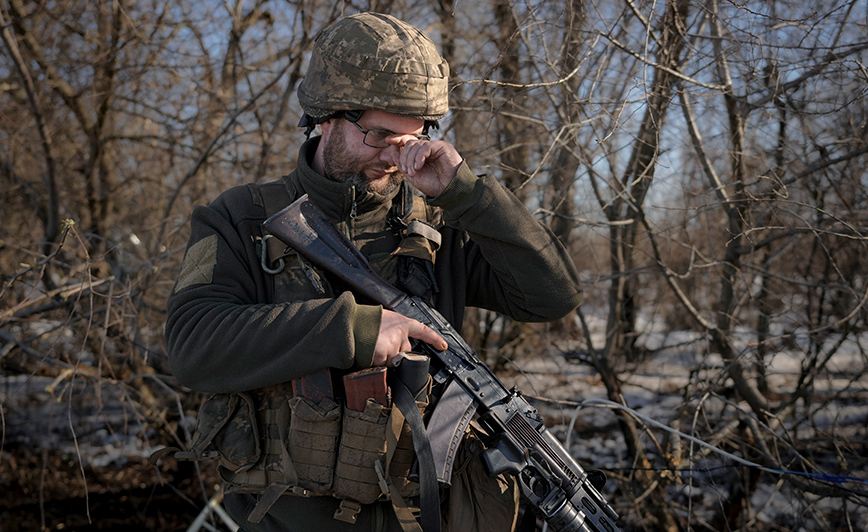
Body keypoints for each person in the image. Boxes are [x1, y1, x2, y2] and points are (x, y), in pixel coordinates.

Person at [164, 12, 582, 532]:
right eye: (379, 135)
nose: (394, 157)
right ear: (326, 118)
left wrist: (468, 194)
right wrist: (352, 329)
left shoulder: (438, 226)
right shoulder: (239, 218)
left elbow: (552, 297)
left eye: (411, 139)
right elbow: (191, 343)